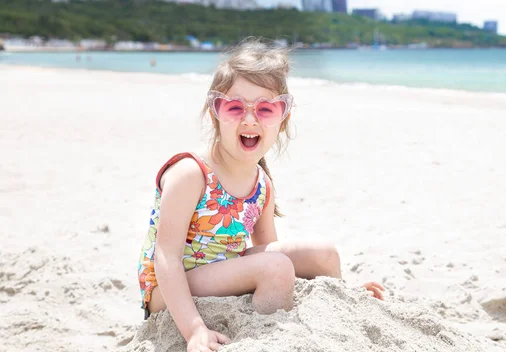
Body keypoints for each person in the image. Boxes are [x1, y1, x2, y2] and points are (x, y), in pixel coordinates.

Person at [137, 38, 385, 352]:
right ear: (216, 114)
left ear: (283, 119)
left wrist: (331, 288)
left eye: (265, 109)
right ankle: (271, 340)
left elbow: (267, 248)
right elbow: (165, 257)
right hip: (169, 287)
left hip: (224, 270)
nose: (250, 119)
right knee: (275, 268)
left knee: (324, 253)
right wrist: (195, 330)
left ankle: (335, 304)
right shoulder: (191, 173)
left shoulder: (261, 184)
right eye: (235, 107)